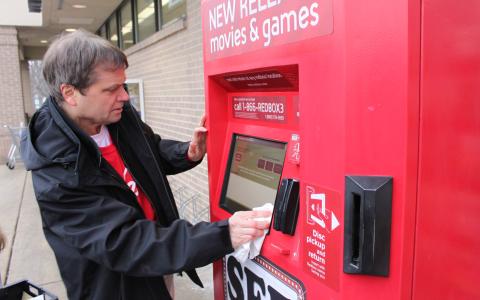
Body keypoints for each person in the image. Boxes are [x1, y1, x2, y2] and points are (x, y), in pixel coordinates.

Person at [20, 29, 270, 300]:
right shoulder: (56, 169)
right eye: (111, 89)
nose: (125, 96)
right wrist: (224, 234)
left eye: (123, 85)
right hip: (118, 286)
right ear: (70, 93)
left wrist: (186, 152)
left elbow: (148, 150)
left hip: (159, 259)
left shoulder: (117, 114)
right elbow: (124, 241)